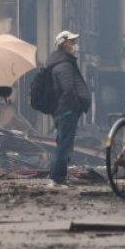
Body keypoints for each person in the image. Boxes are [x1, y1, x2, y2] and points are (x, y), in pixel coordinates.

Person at [47, 30, 92, 188]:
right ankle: (56, 179)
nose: (75, 45)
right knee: (64, 145)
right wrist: (76, 106)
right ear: (64, 43)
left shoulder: (63, 62)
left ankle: (58, 177)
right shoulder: (64, 65)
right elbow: (68, 89)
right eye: (72, 42)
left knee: (63, 144)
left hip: (65, 110)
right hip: (67, 111)